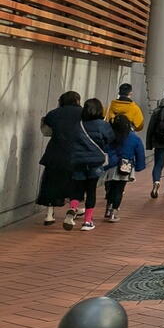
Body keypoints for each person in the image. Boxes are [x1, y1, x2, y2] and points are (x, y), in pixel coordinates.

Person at [64, 98, 114, 231]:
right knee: (91, 191)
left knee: (77, 189)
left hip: (78, 161)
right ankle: (87, 221)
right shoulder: (102, 125)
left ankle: (73, 208)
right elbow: (110, 139)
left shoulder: (77, 125)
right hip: (95, 162)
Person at [37, 91, 84, 226]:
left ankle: (49, 215)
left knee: (51, 183)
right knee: (74, 184)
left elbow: (46, 131)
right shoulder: (83, 113)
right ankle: (72, 210)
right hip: (76, 154)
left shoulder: (54, 113)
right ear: (77, 100)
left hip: (55, 154)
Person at [103, 113, 146, 222]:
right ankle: (114, 212)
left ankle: (108, 207)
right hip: (125, 166)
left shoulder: (110, 135)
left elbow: (105, 149)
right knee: (119, 189)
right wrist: (139, 166)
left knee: (110, 188)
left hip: (111, 165)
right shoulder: (134, 137)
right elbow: (140, 152)